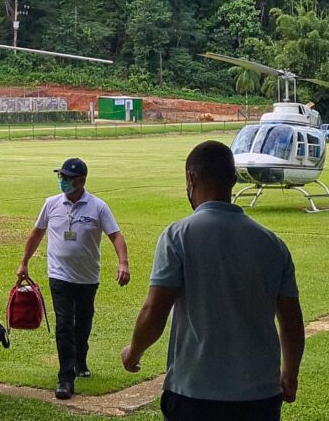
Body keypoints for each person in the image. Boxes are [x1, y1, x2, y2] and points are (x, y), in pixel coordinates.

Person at [121, 140, 304, 421]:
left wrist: (134, 352)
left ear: (190, 178)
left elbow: (154, 310)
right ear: (233, 179)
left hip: (194, 394)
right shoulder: (273, 245)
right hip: (259, 398)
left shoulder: (177, 236)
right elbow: (291, 323)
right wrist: (289, 376)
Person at [16, 157, 130, 400]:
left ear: (81, 181)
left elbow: (116, 236)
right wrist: (24, 262)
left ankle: (80, 358)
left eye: (68, 178)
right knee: (64, 323)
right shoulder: (51, 204)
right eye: (61, 177)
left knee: (83, 321)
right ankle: (65, 377)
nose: (63, 181)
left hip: (88, 276)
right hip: (59, 275)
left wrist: (123, 263)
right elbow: (37, 233)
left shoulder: (98, 207)